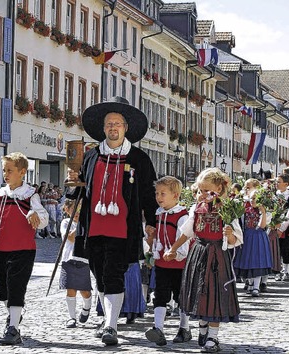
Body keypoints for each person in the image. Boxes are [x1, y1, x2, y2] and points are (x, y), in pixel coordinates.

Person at [66, 96, 157, 346]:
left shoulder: (138, 158)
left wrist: (152, 222)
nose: (113, 128)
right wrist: (72, 184)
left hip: (122, 228)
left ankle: (110, 326)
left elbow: (149, 193)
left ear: (126, 128)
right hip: (93, 227)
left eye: (117, 123)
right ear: (103, 128)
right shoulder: (92, 155)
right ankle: (108, 319)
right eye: (109, 124)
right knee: (100, 276)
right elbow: (79, 188)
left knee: (113, 274)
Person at [164, 168, 243, 352]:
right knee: (199, 292)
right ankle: (202, 327)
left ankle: (213, 338)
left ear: (219, 189)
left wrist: (229, 234)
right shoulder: (196, 208)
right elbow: (187, 232)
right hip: (199, 253)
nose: (203, 194)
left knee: (215, 294)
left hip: (217, 255)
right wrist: (173, 249)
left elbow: (235, 240)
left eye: (208, 190)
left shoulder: (227, 208)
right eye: (200, 190)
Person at [0, 152, 48, 345]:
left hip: (23, 248)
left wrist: (35, 215)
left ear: (22, 172)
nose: (5, 174)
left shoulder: (30, 195)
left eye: (9, 170)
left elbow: (43, 218)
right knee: (4, 290)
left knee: (16, 286)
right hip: (0, 247)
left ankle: (13, 329)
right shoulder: (1, 194)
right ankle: (13, 317)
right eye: (4, 170)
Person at [144, 176, 191, 346]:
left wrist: (176, 254)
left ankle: (184, 328)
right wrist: (150, 240)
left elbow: (184, 238)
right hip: (162, 263)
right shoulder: (158, 214)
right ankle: (159, 329)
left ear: (176, 195)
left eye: (163, 193)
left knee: (181, 296)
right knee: (160, 295)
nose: (158, 197)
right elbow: (157, 239)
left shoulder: (182, 216)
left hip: (179, 264)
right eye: (157, 193)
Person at [234, 179, 272, 297]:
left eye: (255, 199)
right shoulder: (245, 208)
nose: (253, 201)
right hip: (247, 235)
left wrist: (263, 213)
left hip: (259, 236)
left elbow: (262, 225)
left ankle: (256, 286)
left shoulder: (264, 210)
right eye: (251, 199)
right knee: (247, 260)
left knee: (258, 260)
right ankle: (250, 284)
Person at [59, 198, 92, 329]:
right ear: (67, 210)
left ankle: (87, 305)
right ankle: (71, 317)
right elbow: (71, 238)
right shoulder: (66, 223)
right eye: (74, 209)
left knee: (84, 291)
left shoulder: (87, 224)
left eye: (79, 209)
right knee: (70, 289)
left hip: (83, 260)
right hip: (68, 259)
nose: (77, 212)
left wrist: (84, 222)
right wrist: (80, 224)